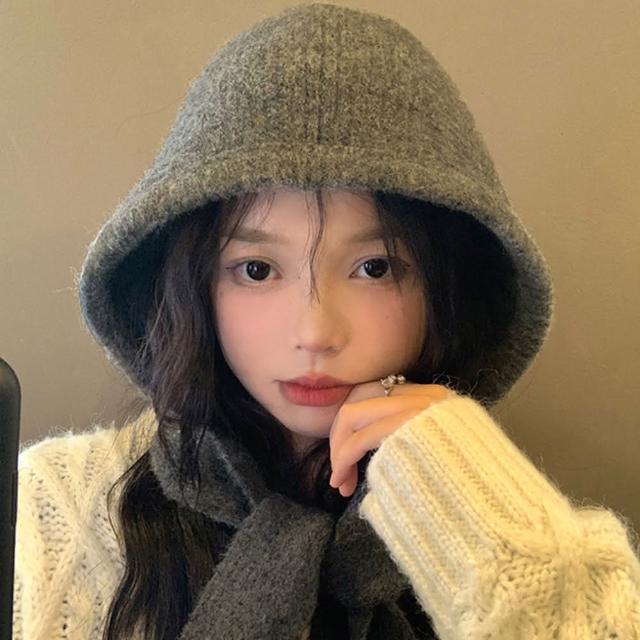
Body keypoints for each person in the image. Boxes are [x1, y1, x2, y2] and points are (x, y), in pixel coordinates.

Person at [12, 3, 640, 639]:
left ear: (444, 290)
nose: (314, 333)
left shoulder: (511, 519)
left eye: (375, 268)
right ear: (193, 288)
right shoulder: (53, 506)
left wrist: (474, 508)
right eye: (257, 269)